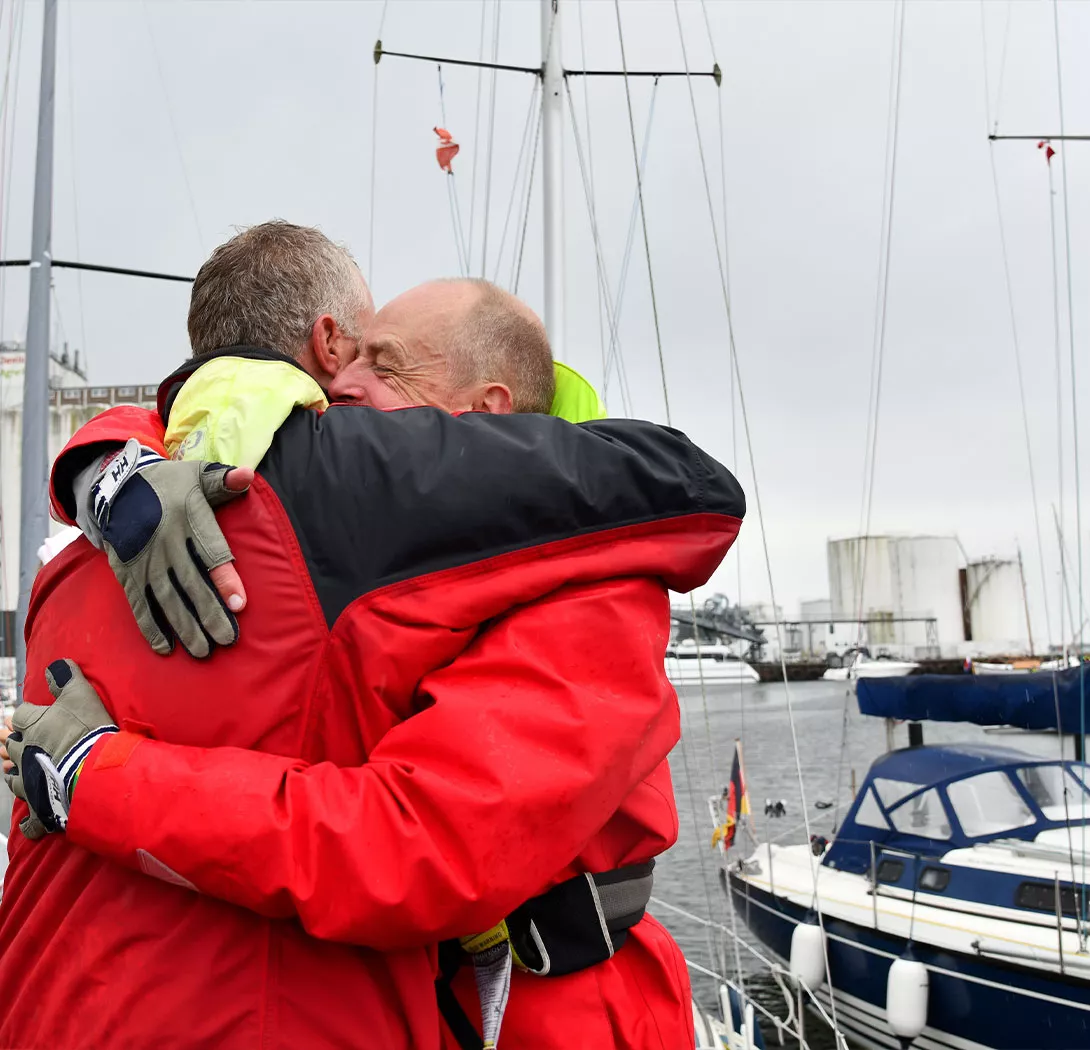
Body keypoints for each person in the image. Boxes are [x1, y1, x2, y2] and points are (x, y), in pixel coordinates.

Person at [2, 222, 744, 1050]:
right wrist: (113, 456)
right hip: (427, 997)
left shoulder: (593, 586)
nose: (339, 383)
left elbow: (421, 848)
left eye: (382, 363)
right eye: (345, 357)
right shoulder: (379, 532)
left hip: (565, 1014)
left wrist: (96, 778)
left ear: (489, 414)